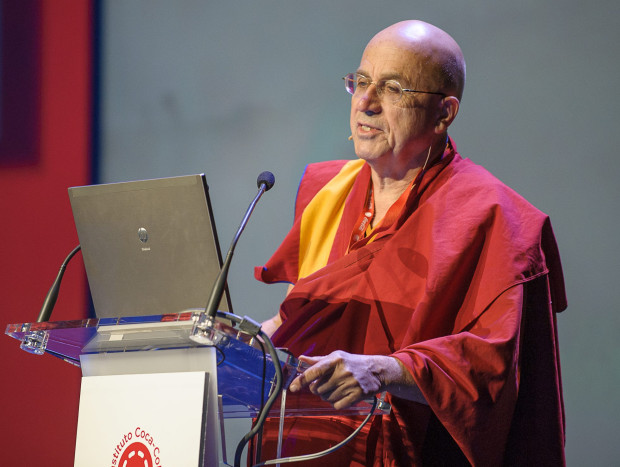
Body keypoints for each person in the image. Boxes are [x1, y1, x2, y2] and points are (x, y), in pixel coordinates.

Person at [254, 20, 566, 466]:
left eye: (393, 88)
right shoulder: (329, 190)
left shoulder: (493, 215)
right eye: (360, 82)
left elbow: (490, 365)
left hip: (418, 450)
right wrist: (238, 341)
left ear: (445, 112)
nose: (366, 102)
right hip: (306, 442)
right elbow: (300, 319)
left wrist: (383, 369)